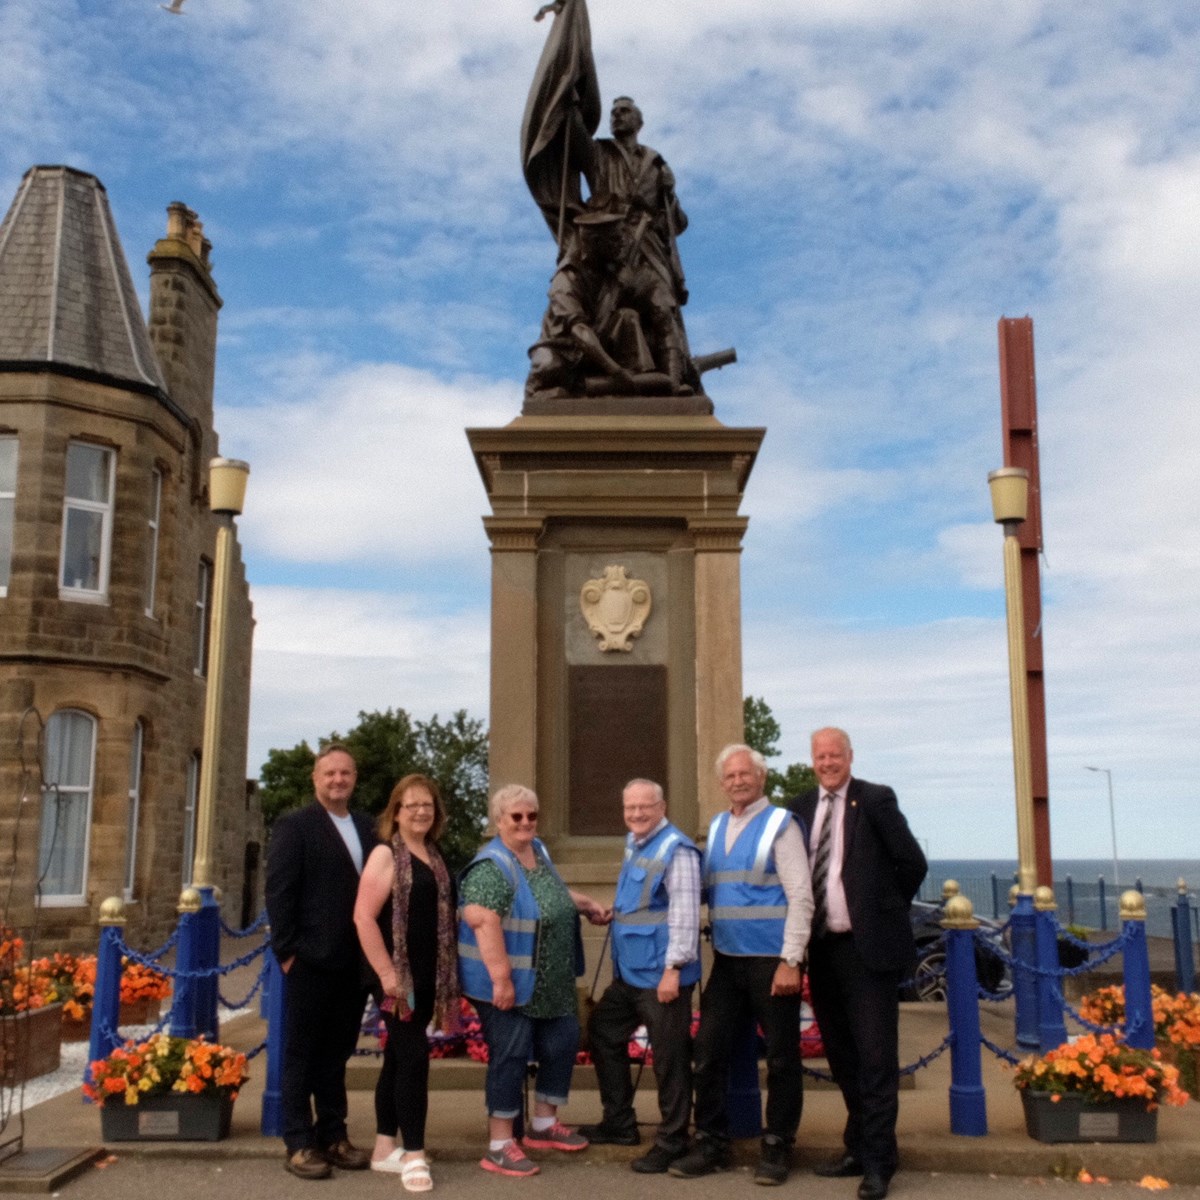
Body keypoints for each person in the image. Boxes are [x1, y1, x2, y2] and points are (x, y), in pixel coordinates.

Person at [788, 728, 928, 1200]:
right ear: (812, 761)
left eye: (835, 754)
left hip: (868, 952)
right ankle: (856, 1147)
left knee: (875, 1060)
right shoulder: (801, 808)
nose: (828, 762)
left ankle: (879, 1162)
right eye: (820, 756)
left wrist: (882, 907)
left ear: (850, 757)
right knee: (843, 1058)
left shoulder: (875, 799)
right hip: (822, 949)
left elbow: (912, 863)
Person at [670, 744, 812, 1186]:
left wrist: (791, 960)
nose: (737, 782)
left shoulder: (779, 825)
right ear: (721, 782)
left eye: (744, 775)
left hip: (773, 962)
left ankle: (777, 1148)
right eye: (729, 776)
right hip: (728, 962)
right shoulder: (715, 827)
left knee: (783, 1061)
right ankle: (712, 1142)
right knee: (708, 1054)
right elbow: (709, 891)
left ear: (761, 778)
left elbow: (801, 897)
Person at [458, 784, 611, 1177]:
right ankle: (499, 1144)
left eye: (531, 815)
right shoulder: (491, 866)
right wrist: (501, 979)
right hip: (512, 983)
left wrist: (586, 903)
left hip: (551, 981)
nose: (526, 822)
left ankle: (544, 1125)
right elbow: (483, 920)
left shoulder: (537, 851)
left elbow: (552, 893)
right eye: (516, 817)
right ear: (499, 821)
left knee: (561, 1042)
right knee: (509, 1057)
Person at [265, 744, 378, 1180]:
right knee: (302, 1054)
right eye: (329, 773)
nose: (338, 780)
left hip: (354, 963)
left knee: (336, 1055)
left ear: (354, 778)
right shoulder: (296, 826)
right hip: (310, 961)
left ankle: (333, 1135)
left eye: (345, 773)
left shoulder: (368, 827)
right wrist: (288, 953)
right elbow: (279, 892)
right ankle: (298, 1142)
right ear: (316, 778)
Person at [578, 779, 701, 1174]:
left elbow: (684, 913)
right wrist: (619, 909)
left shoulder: (676, 849)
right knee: (603, 1030)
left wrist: (674, 970)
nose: (636, 814)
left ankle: (673, 1140)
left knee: (670, 1058)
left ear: (662, 806)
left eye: (644, 807)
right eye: (630, 808)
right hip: (632, 971)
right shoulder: (635, 841)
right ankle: (619, 1123)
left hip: (662, 975)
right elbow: (645, 896)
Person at [353, 774, 460, 1192]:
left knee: (399, 1058)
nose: (420, 811)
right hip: (396, 977)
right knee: (414, 1058)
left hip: (429, 973)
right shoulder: (385, 854)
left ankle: (384, 1148)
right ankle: (414, 1152)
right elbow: (363, 917)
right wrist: (386, 974)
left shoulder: (433, 854)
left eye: (427, 804)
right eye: (411, 804)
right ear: (395, 812)